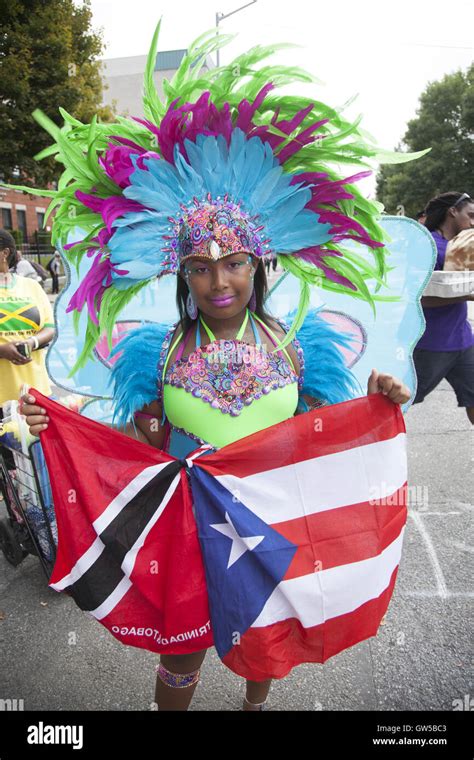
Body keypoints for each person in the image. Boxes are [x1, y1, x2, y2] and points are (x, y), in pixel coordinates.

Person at [15, 21, 422, 712]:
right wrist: (54, 421)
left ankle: (253, 708)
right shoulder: (158, 354)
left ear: (258, 263)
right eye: (200, 268)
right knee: (182, 656)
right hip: (186, 529)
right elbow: (138, 447)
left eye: (233, 262)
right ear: (184, 274)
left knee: (267, 640)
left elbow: (323, 436)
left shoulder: (298, 349)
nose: (219, 281)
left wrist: (382, 396)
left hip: (277, 528)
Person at [413, 192, 474, 424]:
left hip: (463, 341)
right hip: (431, 345)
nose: (473, 222)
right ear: (452, 212)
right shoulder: (426, 245)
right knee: (396, 403)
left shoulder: (459, 247)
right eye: (470, 215)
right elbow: (417, 298)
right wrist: (469, 295)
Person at [0, 229, 55, 467]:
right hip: (2, 397)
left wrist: (31, 343)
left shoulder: (31, 287)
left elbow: (50, 328)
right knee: (10, 474)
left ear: (5, 253)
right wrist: (3, 351)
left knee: (39, 470)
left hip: (35, 393)